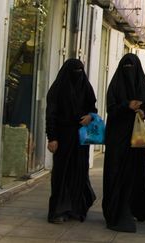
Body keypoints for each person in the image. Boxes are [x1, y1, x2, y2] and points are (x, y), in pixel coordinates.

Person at [102, 53, 145, 232]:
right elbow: (111, 108)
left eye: (132, 67)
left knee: (135, 173)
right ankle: (115, 211)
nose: (129, 71)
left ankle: (135, 209)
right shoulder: (115, 85)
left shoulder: (143, 85)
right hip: (117, 137)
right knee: (115, 172)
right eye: (126, 67)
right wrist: (127, 106)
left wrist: (143, 112)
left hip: (136, 138)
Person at [45, 58, 97, 224]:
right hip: (63, 136)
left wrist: (90, 116)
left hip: (81, 138)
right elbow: (51, 115)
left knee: (79, 172)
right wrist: (52, 138)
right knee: (62, 173)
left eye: (81, 71)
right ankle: (58, 211)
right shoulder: (57, 90)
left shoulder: (86, 87)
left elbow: (93, 109)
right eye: (75, 71)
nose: (78, 74)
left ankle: (76, 209)